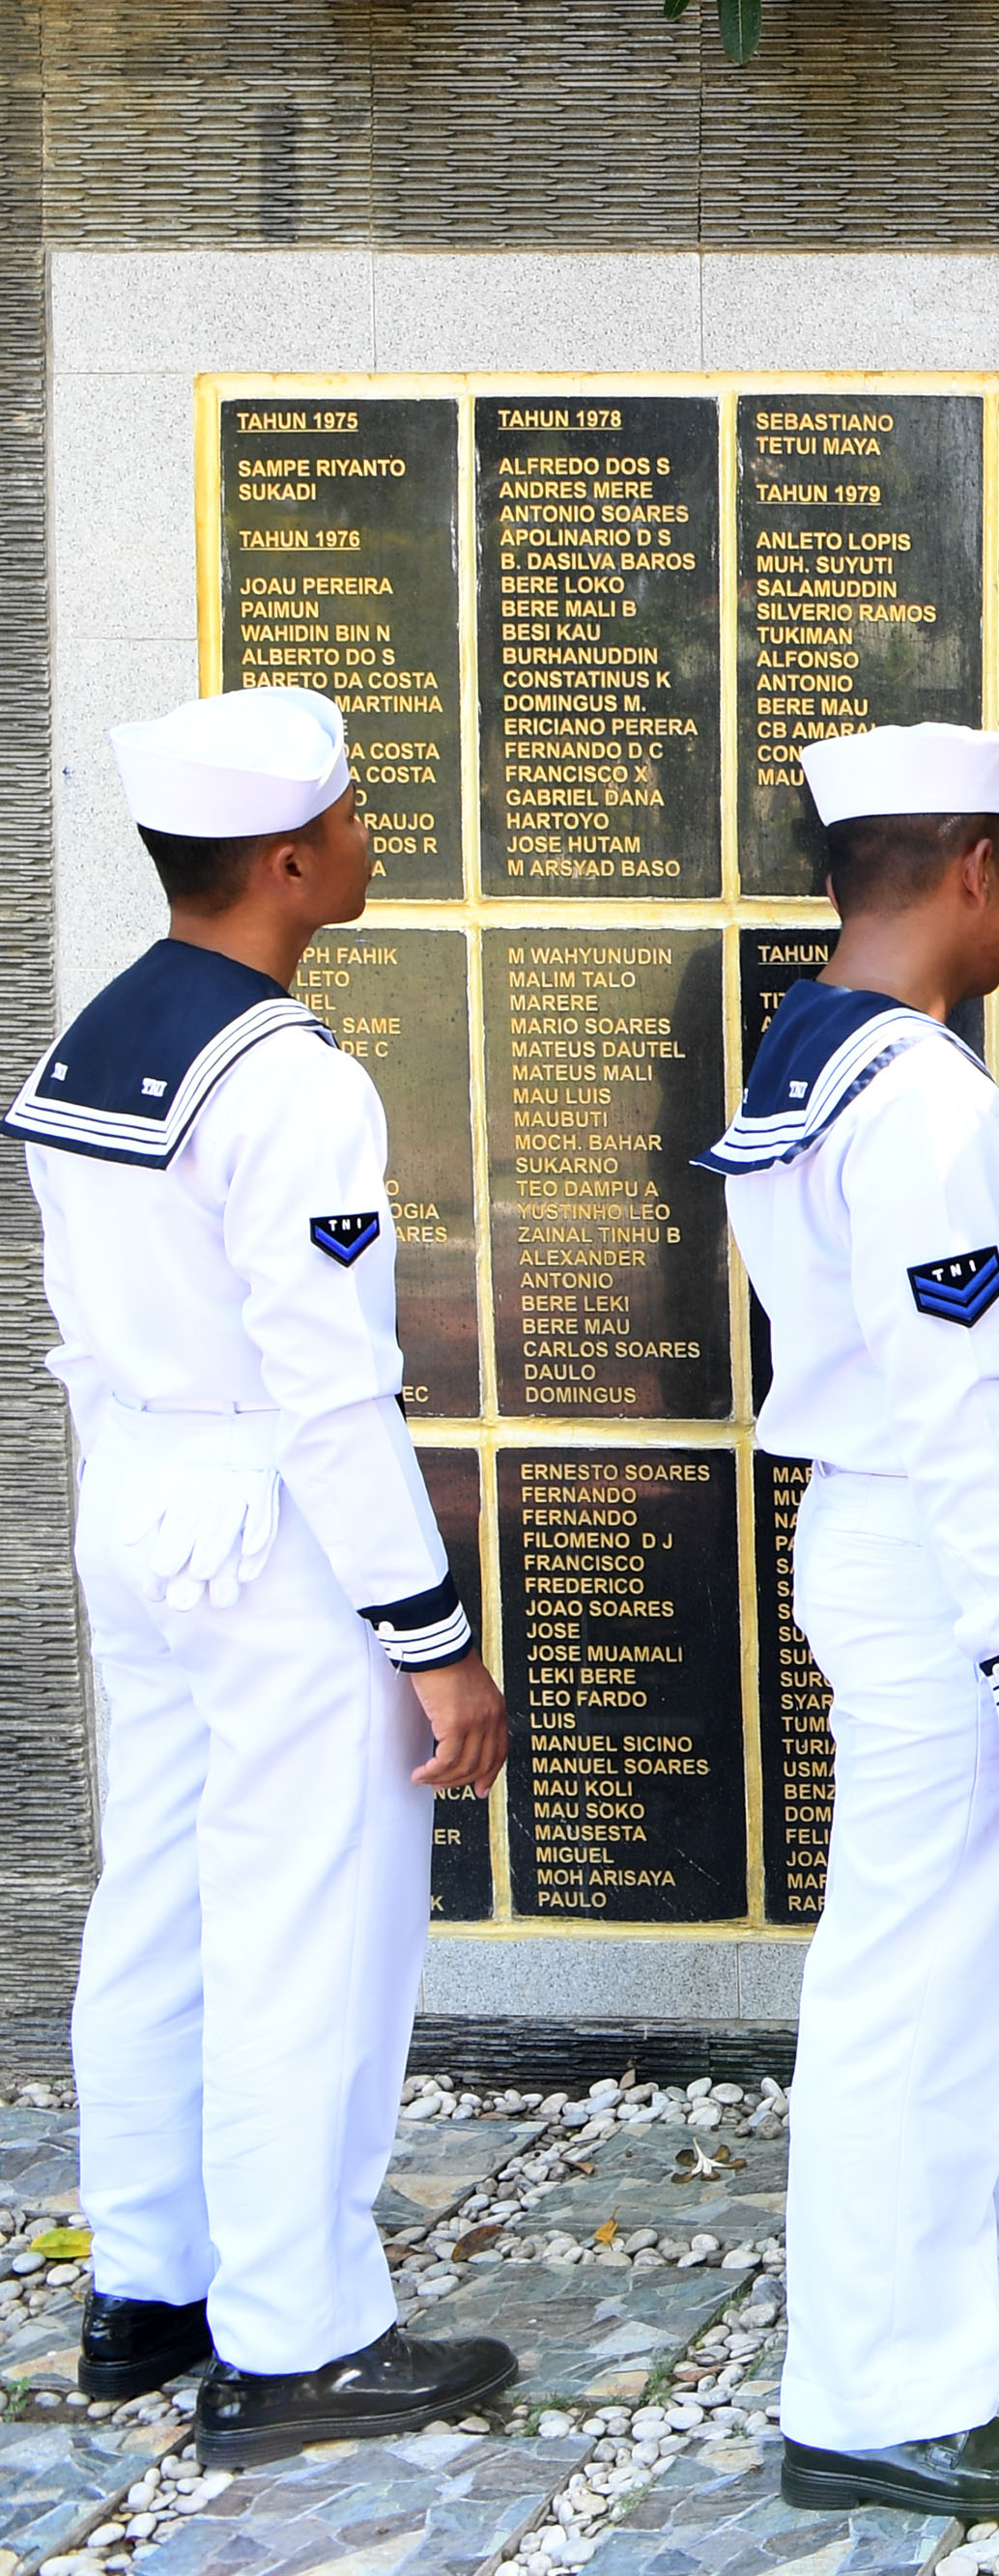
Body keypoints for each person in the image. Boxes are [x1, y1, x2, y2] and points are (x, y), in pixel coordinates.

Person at [10, 687, 519, 2465]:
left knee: (160, 1891)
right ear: (292, 860)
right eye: (361, 816)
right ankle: (296, 2334)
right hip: (270, 1524)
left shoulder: (94, 1039)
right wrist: (431, 1636)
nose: (377, 839)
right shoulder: (291, 1081)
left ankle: (148, 2284)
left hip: (142, 1500)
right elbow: (330, 1390)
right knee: (311, 1918)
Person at [696, 722, 999, 2522]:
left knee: (947, 1955)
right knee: (911, 1977)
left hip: (900, 1540)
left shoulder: (816, 1059)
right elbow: (961, 1411)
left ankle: (972, 2259)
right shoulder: (928, 1104)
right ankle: (874, 2396)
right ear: (976, 868)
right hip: (958, 1561)